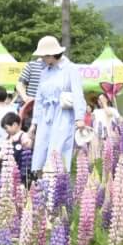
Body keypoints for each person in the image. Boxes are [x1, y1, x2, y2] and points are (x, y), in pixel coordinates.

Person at [28, 36, 85, 173]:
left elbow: (78, 94)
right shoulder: (44, 72)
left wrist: (79, 117)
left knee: (58, 150)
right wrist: (34, 123)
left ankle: (58, 186)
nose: (41, 59)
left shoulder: (70, 69)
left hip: (63, 115)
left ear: (51, 55)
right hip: (45, 117)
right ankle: (42, 185)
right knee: (42, 149)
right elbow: (39, 99)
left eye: (43, 56)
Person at [0, 112, 33, 185]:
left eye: (6, 128)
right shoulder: (8, 138)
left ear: (14, 125)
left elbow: (28, 143)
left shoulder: (23, 135)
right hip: (10, 167)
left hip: (21, 166)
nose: (6, 131)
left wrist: (28, 143)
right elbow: (3, 150)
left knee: (21, 183)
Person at [16, 55, 45, 131]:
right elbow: (20, 84)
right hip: (31, 108)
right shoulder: (32, 65)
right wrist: (25, 97)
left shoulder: (57, 67)